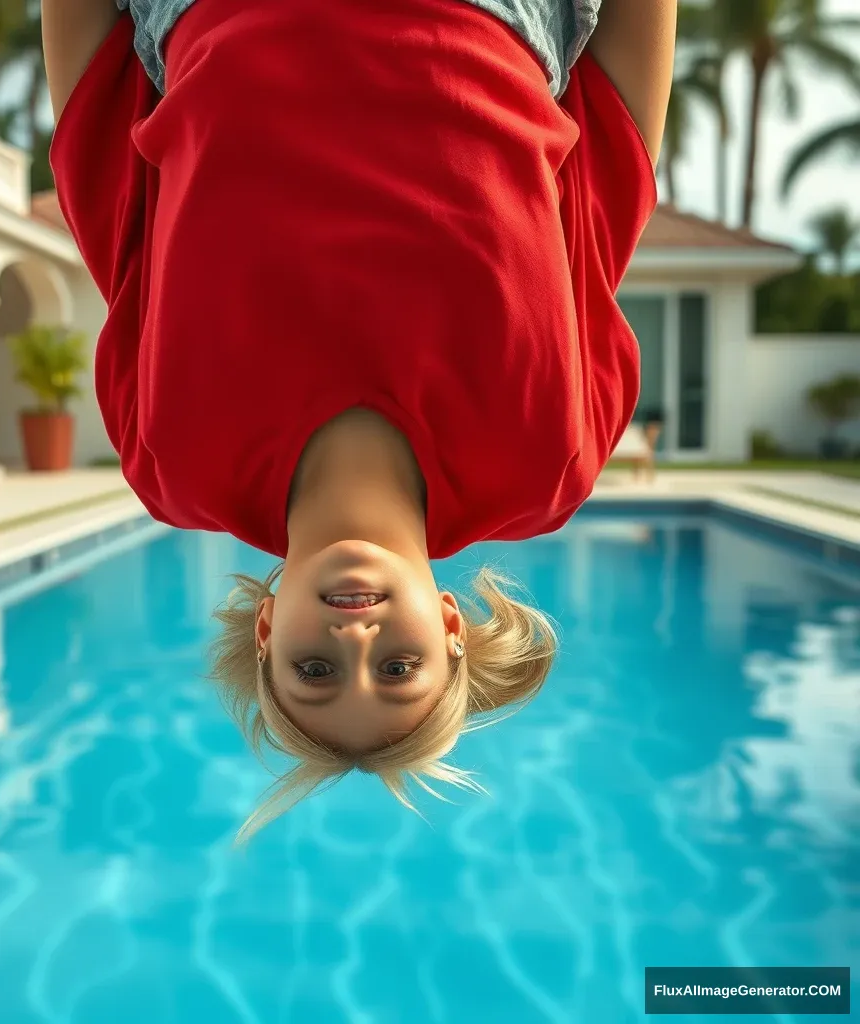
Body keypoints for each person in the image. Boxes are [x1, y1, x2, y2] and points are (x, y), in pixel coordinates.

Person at [43, 0, 676, 840]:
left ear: (266, 633)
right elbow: (614, 181)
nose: (356, 640)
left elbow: (105, 187)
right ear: (452, 629)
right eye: (399, 667)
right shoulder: (545, 462)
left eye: (314, 670)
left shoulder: (173, 462)